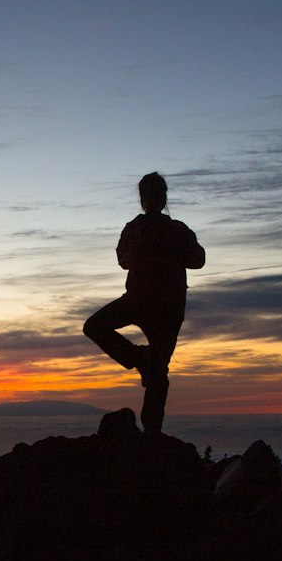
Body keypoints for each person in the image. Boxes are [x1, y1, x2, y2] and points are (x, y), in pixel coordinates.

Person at [83, 171, 205, 434]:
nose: (149, 199)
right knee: (98, 329)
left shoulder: (172, 230)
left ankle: (152, 433)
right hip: (148, 302)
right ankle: (140, 359)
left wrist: (160, 251)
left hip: (160, 305)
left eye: (151, 194)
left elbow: (197, 260)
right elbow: (124, 259)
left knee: (157, 370)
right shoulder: (141, 229)